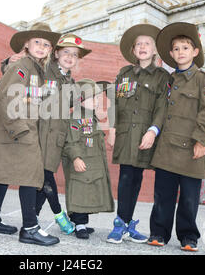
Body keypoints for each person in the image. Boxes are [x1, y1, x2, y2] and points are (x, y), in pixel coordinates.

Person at [0, 22, 61, 246]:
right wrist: (20, 130)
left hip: (16, 128)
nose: (41, 46)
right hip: (18, 128)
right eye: (37, 42)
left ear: (50, 50)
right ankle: (30, 228)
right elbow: (6, 98)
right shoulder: (22, 66)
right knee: (30, 174)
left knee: (3, 174)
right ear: (26, 45)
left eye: (46, 44)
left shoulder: (35, 69)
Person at [147, 22, 205, 252]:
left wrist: (201, 140)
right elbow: (161, 110)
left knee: (188, 198)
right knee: (163, 196)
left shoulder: (202, 80)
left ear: (195, 52)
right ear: (170, 54)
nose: (180, 52)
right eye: (176, 49)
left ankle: (188, 236)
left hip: (191, 149)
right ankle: (158, 232)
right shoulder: (169, 81)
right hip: (168, 148)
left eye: (185, 48)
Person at [106, 24, 171, 244]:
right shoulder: (124, 73)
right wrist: (112, 129)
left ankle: (126, 222)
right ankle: (121, 223)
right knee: (126, 177)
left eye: (147, 44)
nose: (142, 47)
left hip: (145, 134)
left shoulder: (162, 77)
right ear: (134, 50)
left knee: (136, 179)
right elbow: (115, 102)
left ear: (154, 51)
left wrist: (153, 131)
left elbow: (163, 107)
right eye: (139, 44)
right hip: (125, 134)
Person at [36, 34, 92, 235]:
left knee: (44, 178)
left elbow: (74, 106)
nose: (70, 57)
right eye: (66, 52)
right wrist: (9, 61)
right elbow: (19, 74)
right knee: (45, 176)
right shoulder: (43, 69)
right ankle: (59, 214)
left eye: (75, 55)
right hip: (39, 134)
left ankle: (32, 218)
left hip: (56, 138)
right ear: (56, 53)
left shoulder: (71, 82)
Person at [62, 79, 115, 240]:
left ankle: (82, 223)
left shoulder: (92, 117)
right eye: (93, 98)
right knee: (79, 192)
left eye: (98, 97)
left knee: (87, 194)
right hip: (81, 163)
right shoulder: (75, 118)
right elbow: (71, 140)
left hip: (92, 164)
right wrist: (76, 158)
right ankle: (79, 224)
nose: (97, 101)